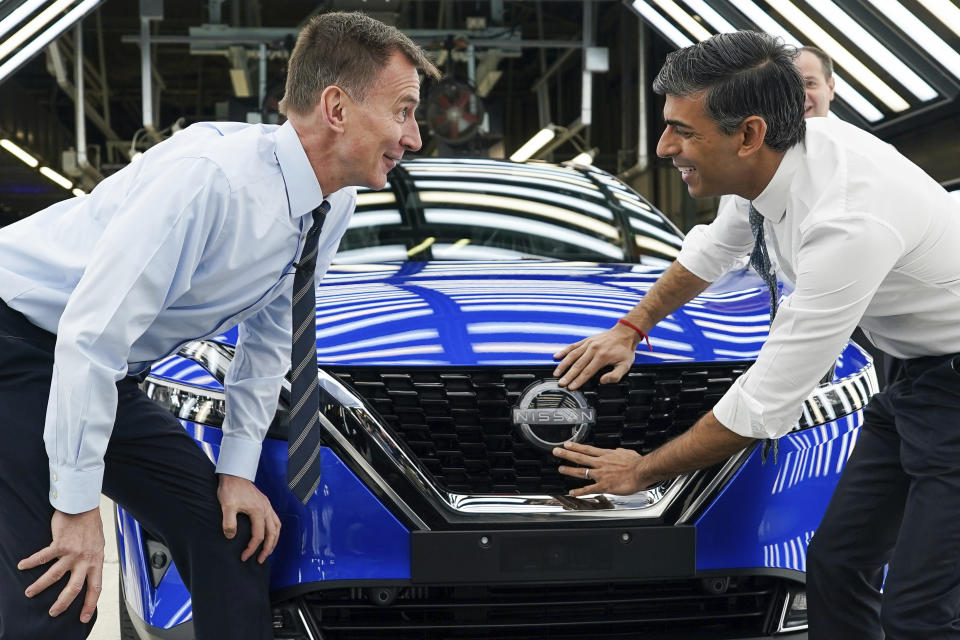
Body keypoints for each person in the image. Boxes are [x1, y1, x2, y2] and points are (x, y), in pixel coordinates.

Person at [0, 11, 438, 640]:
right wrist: (75, 510)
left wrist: (236, 473)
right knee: (63, 586)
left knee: (231, 539)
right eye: (403, 111)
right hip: (19, 343)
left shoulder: (330, 198)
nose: (414, 137)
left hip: (100, 368)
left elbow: (269, 339)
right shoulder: (213, 182)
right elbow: (88, 337)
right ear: (336, 108)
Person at [551, 31, 960, 639]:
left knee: (919, 612)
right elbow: (715, 249)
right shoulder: (771, 166)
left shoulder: (847, 219)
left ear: (748, 134)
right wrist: (630, 328)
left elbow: (765, 402)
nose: (665, 148)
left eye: (682, 132)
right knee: (836, 565)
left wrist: (642, 472)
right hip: (913, 378)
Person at [796, 45, 835, 118]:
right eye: (790, 87)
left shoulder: (849, 129)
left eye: (810, 84)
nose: (801, 96)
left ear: (830, 87)